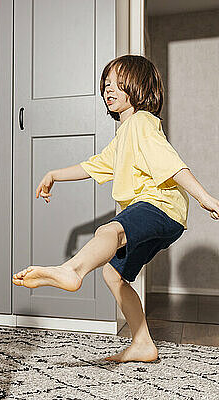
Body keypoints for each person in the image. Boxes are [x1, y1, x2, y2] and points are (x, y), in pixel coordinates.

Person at [12, 55, 219, 363]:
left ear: (139, 87)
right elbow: (93, 165)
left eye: (118, 84)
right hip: (163, 216)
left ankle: (72, 270)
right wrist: (54, 174)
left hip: (159, 205)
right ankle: (142, 344)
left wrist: (206, 198)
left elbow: (170, 163)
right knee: (113, 274)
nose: (109, 90)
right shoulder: (125, 133)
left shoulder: (141, 123)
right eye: (106, 84)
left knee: (111, 230)